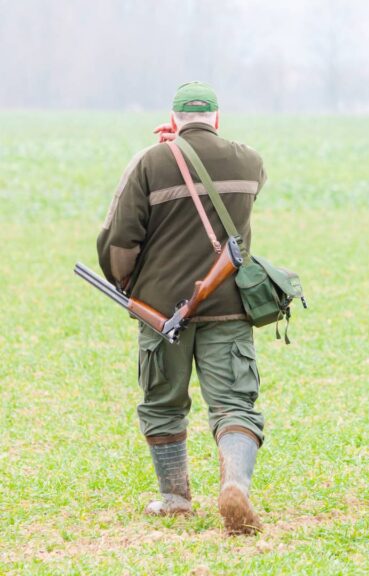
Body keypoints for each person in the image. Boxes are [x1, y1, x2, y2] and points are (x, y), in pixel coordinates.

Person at [97, 81, 268, 534]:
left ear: (172, 121)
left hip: (161, 309)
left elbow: (119, 241)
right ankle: (235, 485)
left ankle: (174, 498)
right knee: (234, 404)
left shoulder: (149, 162)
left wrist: (128, 284)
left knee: (163, 403)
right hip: (229, 304)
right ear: (217, 118)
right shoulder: (251, 161)